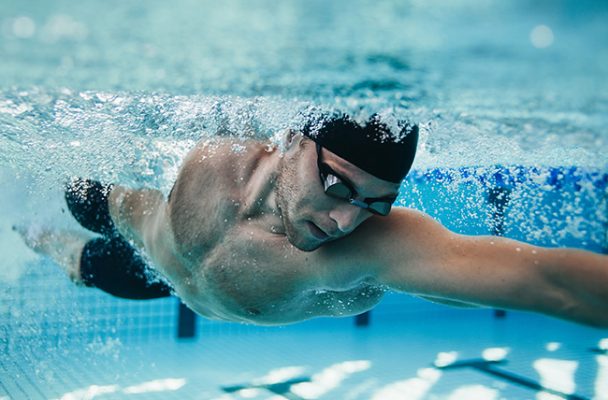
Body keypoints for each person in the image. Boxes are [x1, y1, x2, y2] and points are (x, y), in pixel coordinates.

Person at [16, 113, 608, 327]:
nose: (349, 218)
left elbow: (544, 281)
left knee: (77, 262)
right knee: (72, 195)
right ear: (293, 139)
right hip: (128, 215)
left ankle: (47, 247)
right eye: (338, 185)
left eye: (374, 202)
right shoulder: (225, 142)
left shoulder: (367, 251)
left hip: (159, 281)